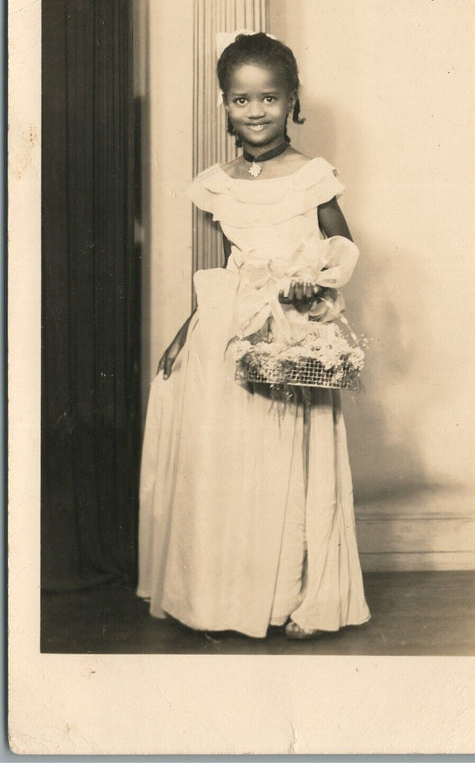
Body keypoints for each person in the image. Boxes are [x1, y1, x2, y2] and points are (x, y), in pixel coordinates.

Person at [137, 31, 370, 640]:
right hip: (228, 325)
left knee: (281, 455)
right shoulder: (218, 181)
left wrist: (311, 281)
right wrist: (187, 331)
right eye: (241, 100)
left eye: (269, 97)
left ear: (294, 99)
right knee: (224, 458)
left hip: (288, 325)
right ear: (225, 105)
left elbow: (341, 245)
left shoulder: (312, 176)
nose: (256, 110)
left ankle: (285, 596)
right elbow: (223, 264)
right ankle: (220, 596)